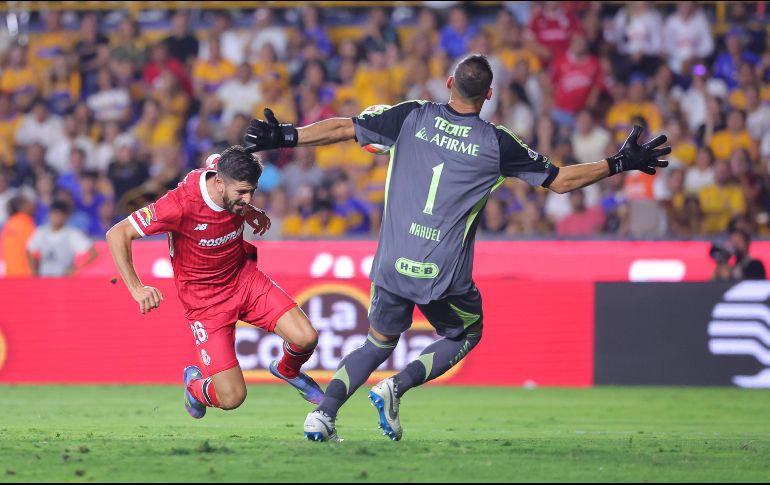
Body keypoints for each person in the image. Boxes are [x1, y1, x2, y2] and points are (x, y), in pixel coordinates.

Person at [244, 55, 670, 442]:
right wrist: (618, 163)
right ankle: (395, 387)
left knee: (376, 342)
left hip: (392, 261)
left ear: (448, 83)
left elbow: (341, 127)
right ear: (489, 94)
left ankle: (323, 414)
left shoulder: (411, 116)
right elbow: (560, 181)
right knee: (466, 331)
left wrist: (285, 135)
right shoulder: (497, 143)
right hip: (440, 274)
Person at [105, 147, 324, 420]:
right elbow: (118, 234)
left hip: (243, 279)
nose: (248, 198)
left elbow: (216, 161)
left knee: (306, 338)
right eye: (242, 193)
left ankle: (288, 370)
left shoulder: (224, 169)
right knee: (232, 398)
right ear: (219, 183)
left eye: (252, 192)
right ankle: (194, 387)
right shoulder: (179, 204)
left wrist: (249, 210)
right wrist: (137, 288)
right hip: (205, 303)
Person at [27, 200, 98, 277]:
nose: (57, 218)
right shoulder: (41, 232)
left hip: (63, 280)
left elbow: (93, 253)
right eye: (54, 214)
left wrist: (77, 269)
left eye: (59, 215)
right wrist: (34, 271)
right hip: (43, 278)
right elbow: (29, 249)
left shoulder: (72, 234)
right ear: (49, 215)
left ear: (65, 216)